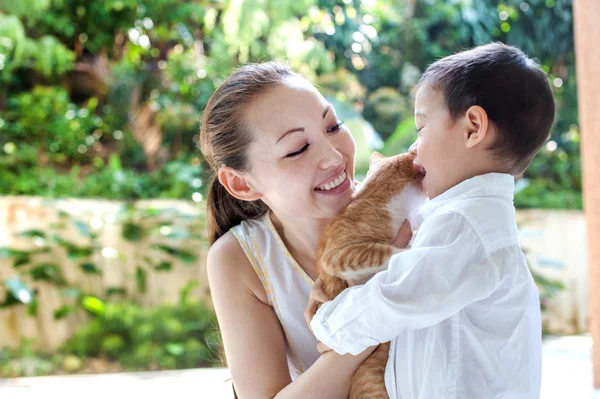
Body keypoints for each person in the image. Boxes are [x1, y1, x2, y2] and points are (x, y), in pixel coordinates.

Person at [308, 42, 556, 399]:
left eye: (421, 129)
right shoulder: (464, 221)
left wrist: (329, 324)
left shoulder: (467, 226)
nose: (412, 148)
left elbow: (398, 296)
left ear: (473, 127)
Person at [201, 62, 412, 398]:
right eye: (297, 149)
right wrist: (364, 314)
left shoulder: (409, 207)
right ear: (241, 183)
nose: (333, 157)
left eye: (333, 126)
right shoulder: (241, 258)